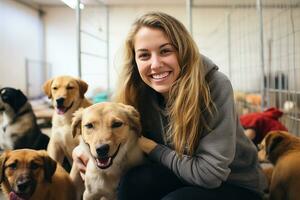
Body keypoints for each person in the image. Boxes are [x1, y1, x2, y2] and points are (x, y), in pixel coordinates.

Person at [73, 11, 267, 200]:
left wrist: (153, 149)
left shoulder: (215, 85)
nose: (155, 64)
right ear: (135, 60)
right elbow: (110, 130)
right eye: (144, 55)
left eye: (165, 51)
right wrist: (83, 149)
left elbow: (210, 175)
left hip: (233, 184)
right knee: (132, 183)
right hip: (178, 173)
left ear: (183, 51)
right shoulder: (136, 88)